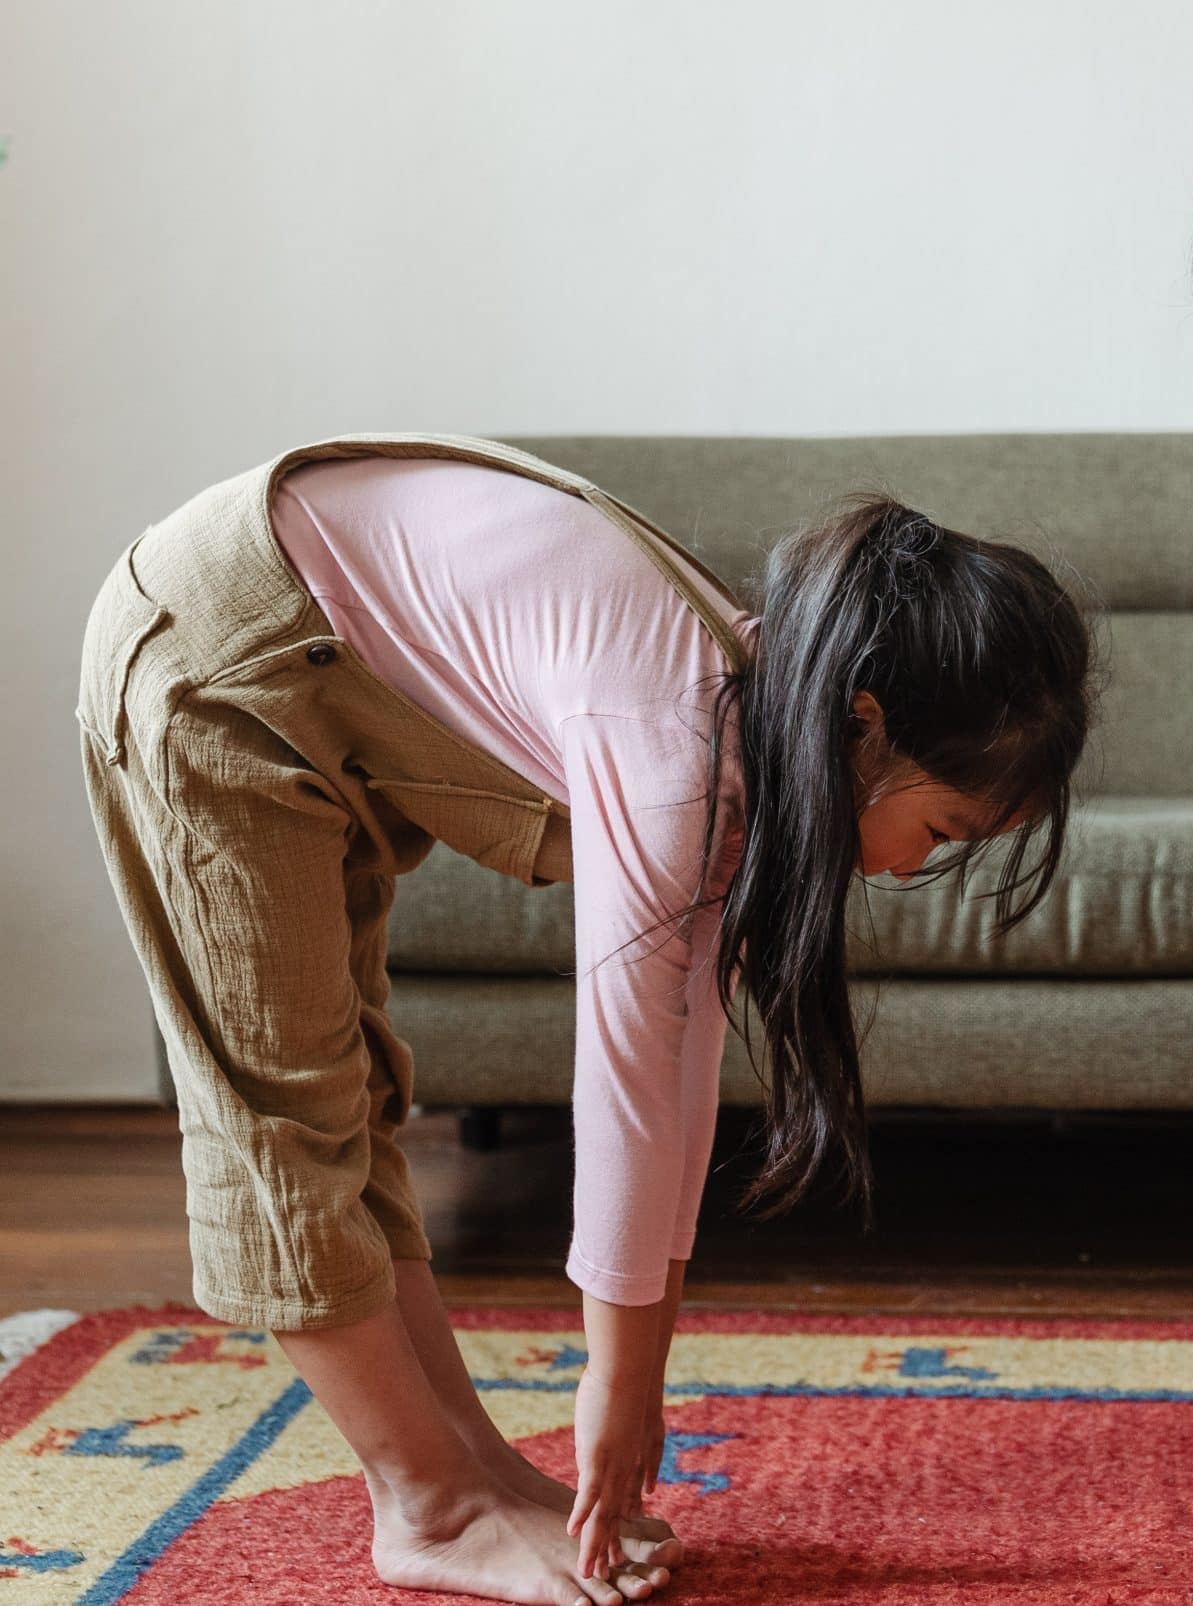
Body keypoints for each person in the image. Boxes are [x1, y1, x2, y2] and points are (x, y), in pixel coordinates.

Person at [75, 434, 1094, 1606]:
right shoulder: (677, 744)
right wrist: (612, 1384)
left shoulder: (758, 734)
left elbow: (683, 1060)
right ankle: (433, 1504)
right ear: (866, 724)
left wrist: (640, 1368)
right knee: (284, 1122)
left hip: (313, 657)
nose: (916, 869)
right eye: (946, 832)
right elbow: (624, 1081)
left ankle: (469, 1472)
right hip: (217, 654)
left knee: (352, 1093)